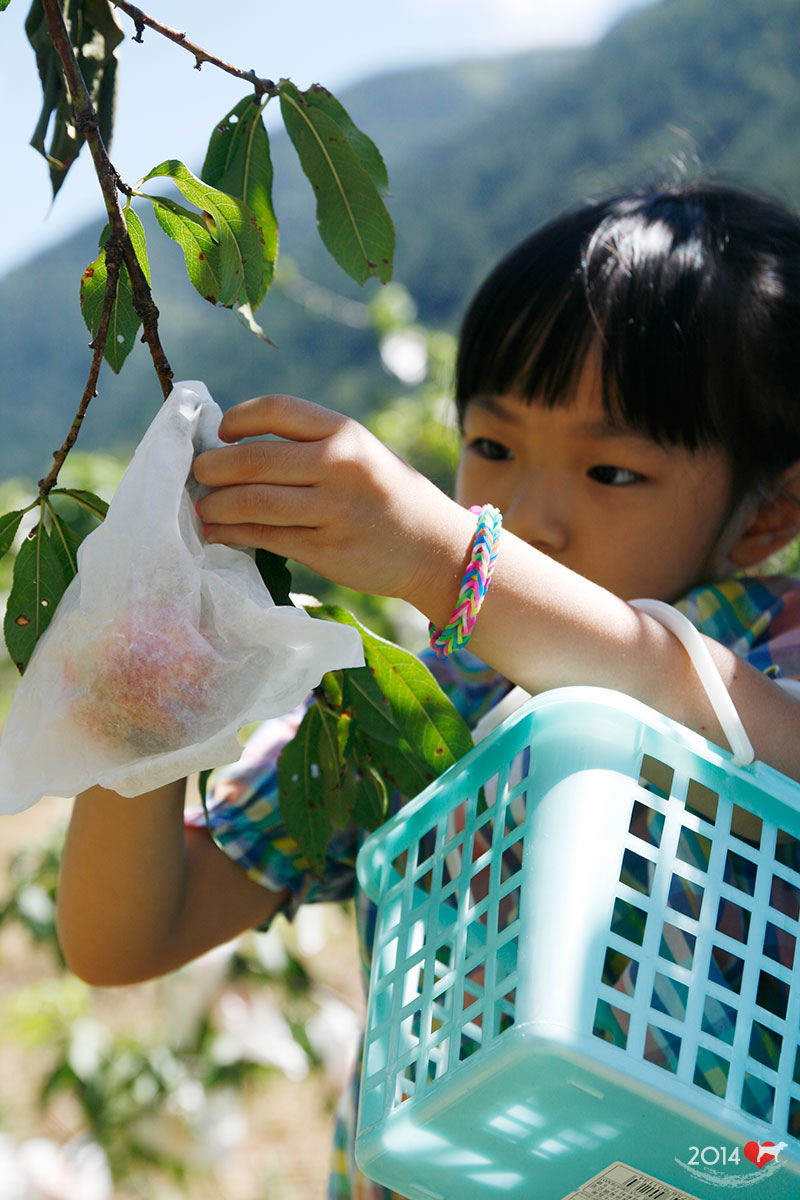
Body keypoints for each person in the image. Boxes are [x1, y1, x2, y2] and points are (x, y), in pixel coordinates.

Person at [56, 182, 800, 1198]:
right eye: (490, 448)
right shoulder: (415, 707)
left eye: (611, 472)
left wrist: (454, 562)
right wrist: (143, 707)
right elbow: (126, 936)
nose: (530, 514)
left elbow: (724, 719)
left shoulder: (773, 648)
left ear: (767, 517)